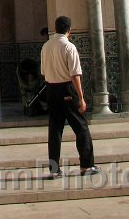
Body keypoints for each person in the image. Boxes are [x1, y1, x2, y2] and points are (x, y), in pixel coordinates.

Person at [40, 15, 100, 178]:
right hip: (66, 89)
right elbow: (75, 75)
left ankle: (54, 169)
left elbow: (44, 72)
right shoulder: (69, 47)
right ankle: (86, 166)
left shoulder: (46, 46)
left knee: (55, 131)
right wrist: (80, 97)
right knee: (81, 127)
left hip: (51, 90)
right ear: (69, 30)